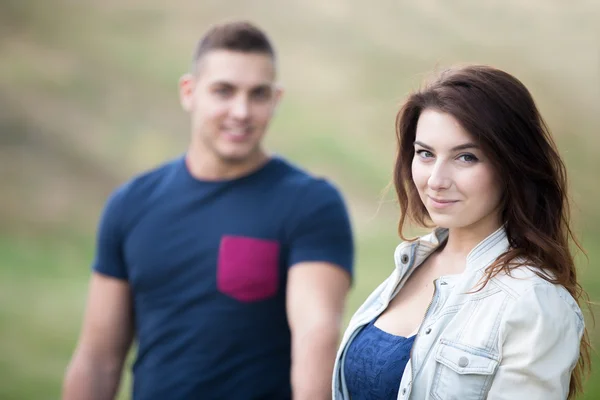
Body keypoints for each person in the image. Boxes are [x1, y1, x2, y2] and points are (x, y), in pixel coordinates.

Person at [62, 20, 354, 400]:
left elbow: (317, 335)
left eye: (258, 94)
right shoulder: (131, 204)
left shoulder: (311, 204)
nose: (241, 111)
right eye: (224, 91)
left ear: (276, 100)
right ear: (189, 92)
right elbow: (97, 359)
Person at [332, 64, 590, 399]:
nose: (436, 180)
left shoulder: (533, 301)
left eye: (466, 157)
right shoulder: (413, 260)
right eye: (425, 153)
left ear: (511, 165)